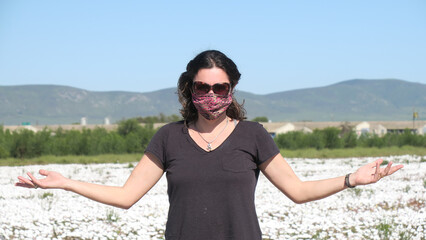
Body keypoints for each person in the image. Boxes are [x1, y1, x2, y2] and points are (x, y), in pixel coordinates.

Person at [16, 50, 404, 240]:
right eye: (203, 86)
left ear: (232, 89)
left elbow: (298, 192)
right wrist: (66, 183)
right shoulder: (169, 137)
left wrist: (351, 178)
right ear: (190, 89)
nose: (212, 94)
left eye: (221, 87)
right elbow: (126, 196)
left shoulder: (253, 135)